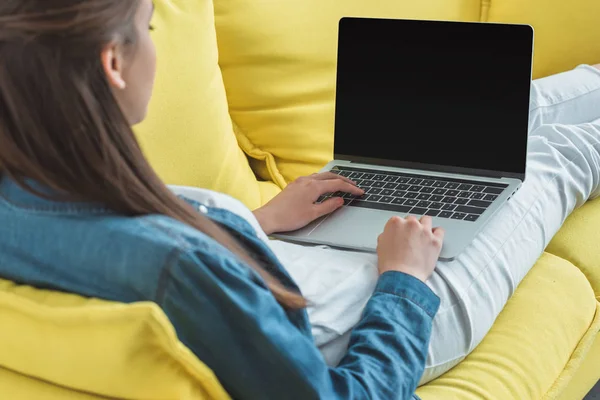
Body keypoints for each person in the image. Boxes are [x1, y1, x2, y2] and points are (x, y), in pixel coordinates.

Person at [0, 0, 598, 399]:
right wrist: (406, 281)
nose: (154, 48)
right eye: (149, 31)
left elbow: (144, 243)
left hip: (292, 260)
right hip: (390, 309)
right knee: (561, 153)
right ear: (113, 63)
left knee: (513, 114)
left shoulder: (24, 192)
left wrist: (254, 222)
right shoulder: (183, 270)